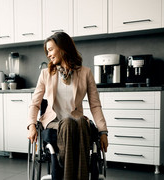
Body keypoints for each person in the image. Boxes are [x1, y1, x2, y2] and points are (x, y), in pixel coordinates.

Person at [27, 32, 108, 180]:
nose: (49, 55)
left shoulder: (85, 73)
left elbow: (95, 105)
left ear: (63, 47)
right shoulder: (46, 74)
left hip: (77, 122)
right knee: (68, 123)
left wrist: (103, 132)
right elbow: (35, 103)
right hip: (54, 123)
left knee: (80, 122)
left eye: (51, 49)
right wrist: (32, 125)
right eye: (47, 51)